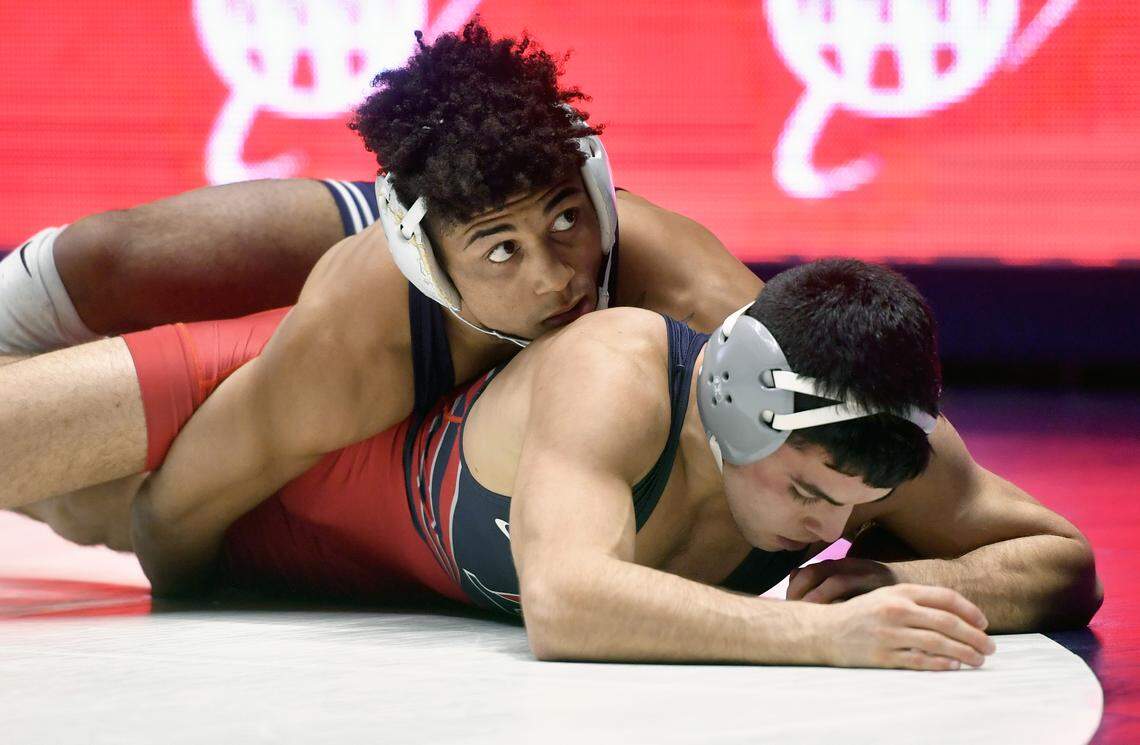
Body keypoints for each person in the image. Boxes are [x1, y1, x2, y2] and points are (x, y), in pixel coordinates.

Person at [2, 259, 1103, 668]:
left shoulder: (874, 438)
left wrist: (901, 577)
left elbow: (1063, 559)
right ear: (735, 400)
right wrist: (822, 635)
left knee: (80, 512)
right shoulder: (621, 367)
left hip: (289, 564)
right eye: (807, 490)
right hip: (259, 405)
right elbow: (568, 601)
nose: (824, 527)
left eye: (856, 509)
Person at [0, 21, 754, 537]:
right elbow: (169, 523)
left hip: (461, 249)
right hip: (410, 258)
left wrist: (842, 561)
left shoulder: (689, 287)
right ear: (426, 256)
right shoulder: (365, 314)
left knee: (87, 504)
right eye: (506, 253)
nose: (556, 280)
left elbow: (819, 384)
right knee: (111, 260)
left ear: (593, 193)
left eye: (566, 221)